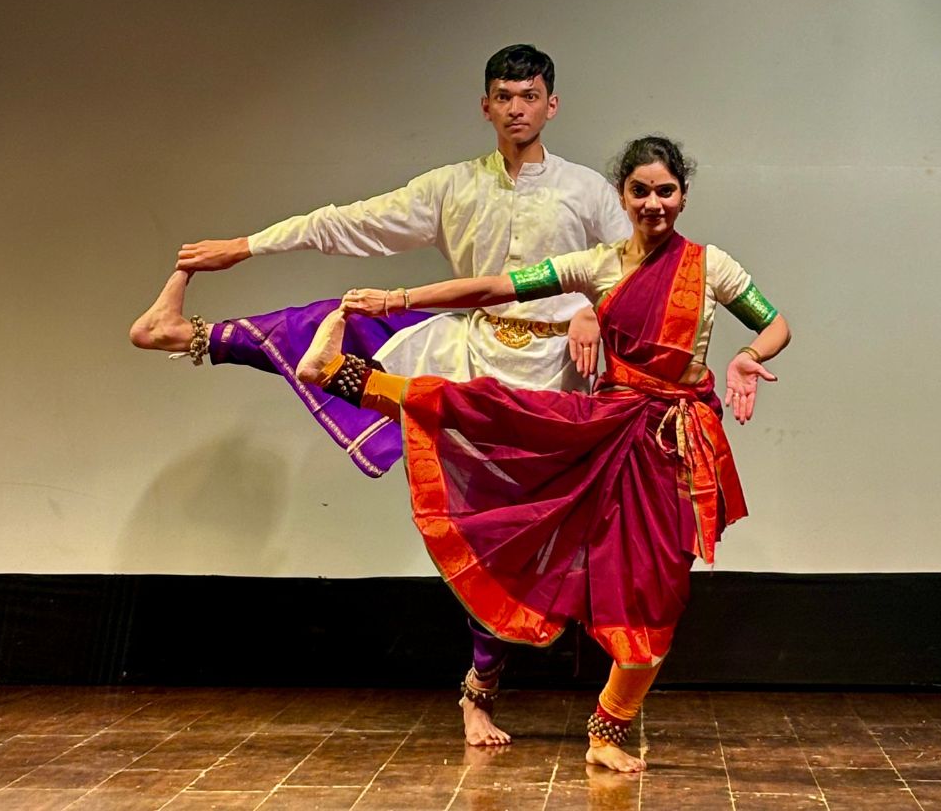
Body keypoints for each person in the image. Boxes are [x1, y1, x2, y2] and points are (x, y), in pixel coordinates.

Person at [129, 44, 630, 746]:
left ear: (552, 105)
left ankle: (483, 687)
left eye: (529, 96)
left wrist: (592, 311)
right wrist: (246, 246)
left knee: (512, 543)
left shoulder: (588, 191)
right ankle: (192, 334)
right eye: (504, 96)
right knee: (341, 327)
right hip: (469, 362)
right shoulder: (454, 186)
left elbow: (635, 271)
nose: (516, 108)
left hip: (555, 382)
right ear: (485, 106)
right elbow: (348, 222)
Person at [294, 134, 791, 773]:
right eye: (640, 191)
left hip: (671, 447)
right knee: (496, 412)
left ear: (683, 195)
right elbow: (494, 288)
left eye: (665, 191)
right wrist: (398, 299)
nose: (654, 203)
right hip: (608, 428)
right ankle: (344, 376)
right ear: (623, 196)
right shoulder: (597, 265)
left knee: (661, 593)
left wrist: (749, 356)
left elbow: (775, 323)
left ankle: (607, 730)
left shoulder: (711, 266)